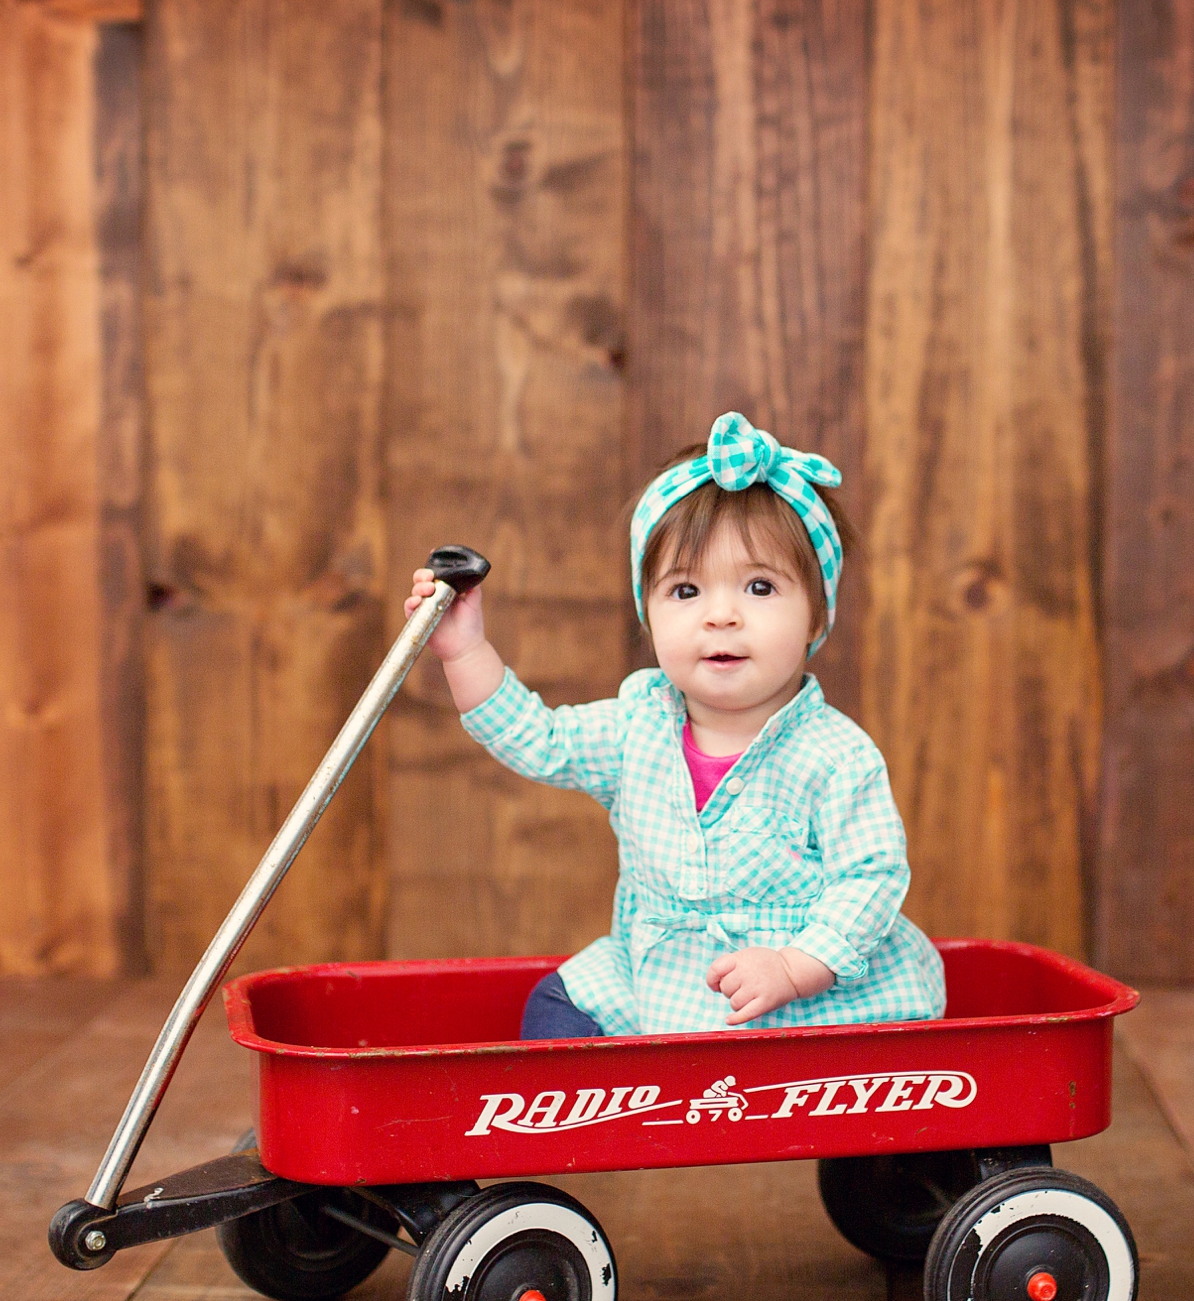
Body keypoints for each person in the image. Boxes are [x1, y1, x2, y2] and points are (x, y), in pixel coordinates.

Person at [403, 411, 946, 1040]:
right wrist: (465, 651)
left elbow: (871, 874)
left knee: (873, 1060)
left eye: (760, 588)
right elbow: (540, 740)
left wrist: (798, 966)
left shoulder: (834, 756)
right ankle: (599, 1133)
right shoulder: (639, 725)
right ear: (649, 616)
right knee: (556, 1008)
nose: (721, 616)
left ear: (817, 621)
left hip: (802, 997)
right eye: (685, 592)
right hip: (660, 976)